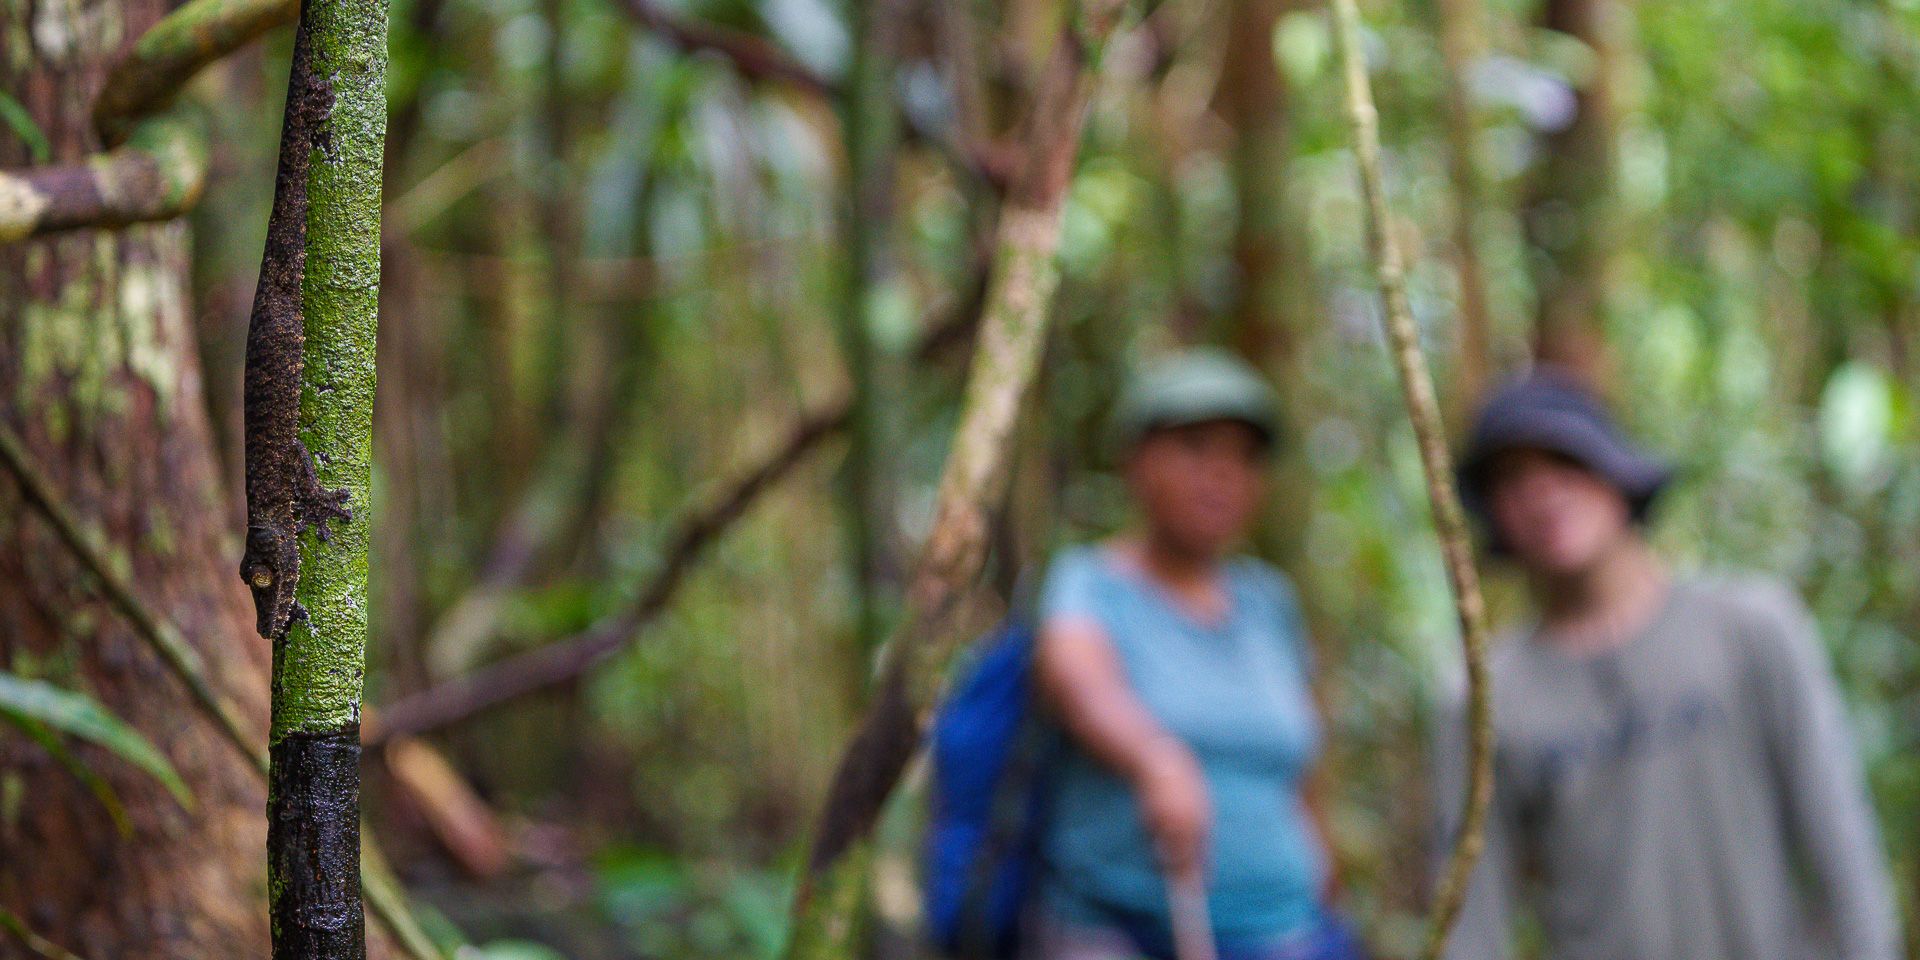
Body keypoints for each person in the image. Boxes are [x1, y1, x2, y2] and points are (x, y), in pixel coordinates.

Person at [1433, 369, 1901, 960]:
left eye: (1563, 462)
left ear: (1615, 472)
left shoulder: (1754, 627)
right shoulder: (1482, 697)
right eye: (1511, 480)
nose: (1542, 494)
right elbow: (1472, 908)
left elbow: (1838, 829)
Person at [1028, 349, 1355, 960]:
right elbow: (1079, 684)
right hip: (1124, 927)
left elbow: (1301, 761)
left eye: (1243, 456)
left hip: (1289, 928)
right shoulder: (1089, 582)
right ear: (1136, 461)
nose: (1222, 474)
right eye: (1197, 448)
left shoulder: (1268, 602)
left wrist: (1323, 870)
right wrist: (1154, 758)